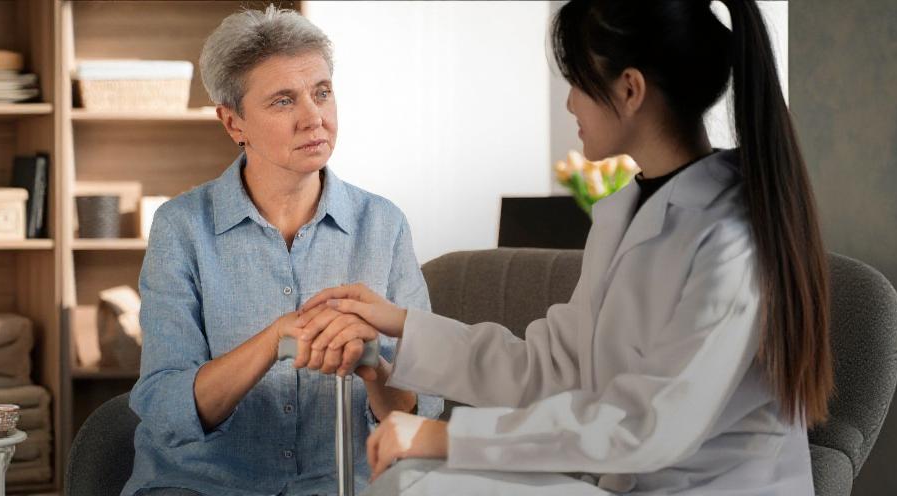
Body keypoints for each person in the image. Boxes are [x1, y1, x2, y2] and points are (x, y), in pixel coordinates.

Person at [287, 0, 830, 494]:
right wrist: (398, 322)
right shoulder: (625, 212)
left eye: (575, 81)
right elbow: (550, 366)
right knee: (409, 481)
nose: (569, 102)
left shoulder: (731, 238)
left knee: (418, 483)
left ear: (629, 90)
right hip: (631, 481)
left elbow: (649, 425)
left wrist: (444, 437)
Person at [122, 6, 443, 495]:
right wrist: (274, 340)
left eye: (322, 92)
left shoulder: (383, 224)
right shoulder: (181, 227)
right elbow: (166, 406)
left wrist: (372, 363)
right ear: (233, 123)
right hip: (204, 485)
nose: (314, 118)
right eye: (283, 101)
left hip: (343, 484)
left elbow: (420, 409)